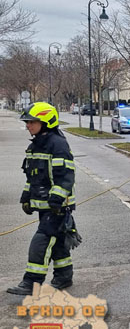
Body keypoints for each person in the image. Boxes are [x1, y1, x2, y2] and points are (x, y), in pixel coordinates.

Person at [8, 102, 79, 295]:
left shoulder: (58, 145)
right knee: (57, 242)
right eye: (27, 122)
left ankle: (32, 282)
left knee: (41, 241)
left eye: (32, 122)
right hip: (45, 207)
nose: (28, 126)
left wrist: (57, 200)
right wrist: (26, 196)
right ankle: (64, 276)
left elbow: (65, 176)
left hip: (57, 207)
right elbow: (33, 177)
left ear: (46, 122)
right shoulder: (36, 145)